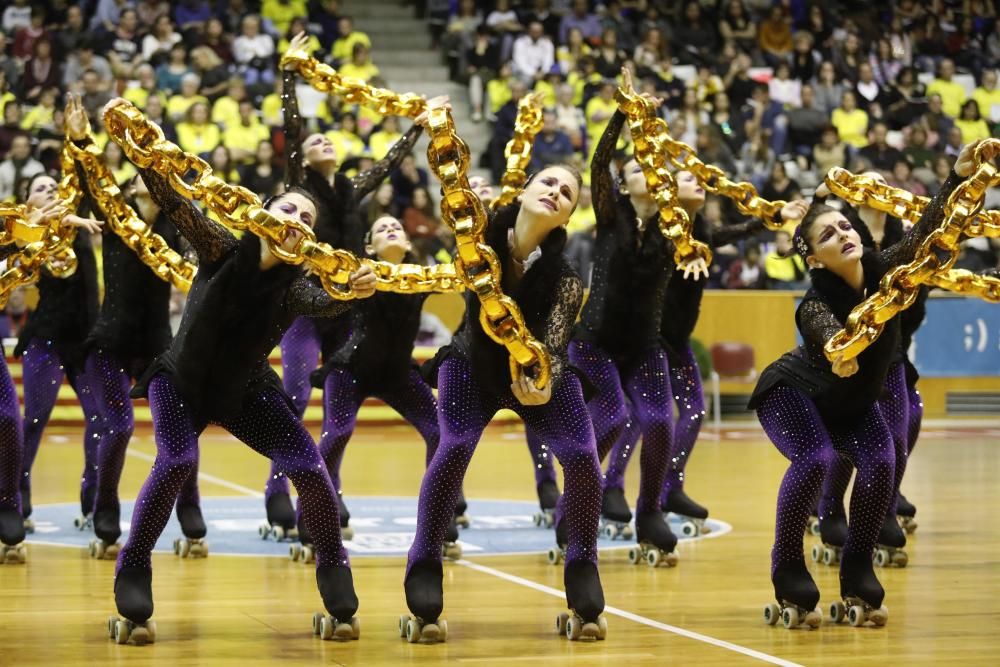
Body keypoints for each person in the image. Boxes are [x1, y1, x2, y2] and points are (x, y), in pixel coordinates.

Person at [102, 96, 377, 643]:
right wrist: (135, 141)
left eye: (307, 218)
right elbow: (173, 200)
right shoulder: (220, 247)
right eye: (289, 210)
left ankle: (332, 567)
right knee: (177, 458)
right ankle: (134, 564)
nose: (296, 220)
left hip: (244, 391)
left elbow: (327, 303)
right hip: (180, 382)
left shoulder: (297, 286)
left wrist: (353, 292)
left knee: (310, 468)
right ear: (263, 214)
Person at [749, 139, 993, 628]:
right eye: (826, 235)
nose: (842, 233)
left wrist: (956, 176)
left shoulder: (889, 273)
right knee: (816, 458)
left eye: (844, 225)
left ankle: (857, 568)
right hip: (795, 395)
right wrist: (840, 351)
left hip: (852, 403)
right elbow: (823, 331)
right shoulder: (814, 302)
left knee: (884, 461)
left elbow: (928, 232)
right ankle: (788, 565)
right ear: (813, 259)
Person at [409, 147, 606, 640]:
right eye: (549, 183)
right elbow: (451, 221)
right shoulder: (482, 231)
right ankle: (425, 561)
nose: (555, 193)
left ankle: (582, 563)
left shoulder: (565, 276)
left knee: (583, 457)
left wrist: (544, 385)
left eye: (566, 193)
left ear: (568, 215)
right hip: (473, 363)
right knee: (453, 446)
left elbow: (556, 343)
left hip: (535, 373)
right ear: (526, 190)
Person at [263, 33, 425, 541]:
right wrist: (290, 74)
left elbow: (389, 163)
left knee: (338, 417)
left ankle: (327, 494)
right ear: (305, 161)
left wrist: (418, 128)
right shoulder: (301, 187)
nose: (323, 142)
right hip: (306, 309)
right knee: (292, 395)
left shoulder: (353, 191)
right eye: (317, 143)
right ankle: (276, 490)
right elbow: (293, 128)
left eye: (329, 140)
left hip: (349, 311)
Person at [62, 95, 200, 558]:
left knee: (180, 428)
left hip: (159, 341)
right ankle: (105, 506)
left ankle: (190, 511)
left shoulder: (178, 224)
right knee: (118, 427)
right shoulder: (115, 213)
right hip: (110, 339)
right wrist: (80, 137)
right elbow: (91, 176)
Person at [569, 69, 694, 562]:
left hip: (644, 345)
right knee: (615, 415)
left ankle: (649, 512)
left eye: (652, 167)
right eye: (637, 167)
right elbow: (599, 163)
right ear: (623, 183)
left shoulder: (673, 226)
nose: (647, 170)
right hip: (594, 340)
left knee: (660, 421)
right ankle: (575, 503)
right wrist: (624, 111)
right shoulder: (610, 213)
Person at [308, 217, 441, 541]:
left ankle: (443, 513)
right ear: (369, 248)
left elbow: (460, 276)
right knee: (337, 432)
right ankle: (314, 512)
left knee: (441, 432)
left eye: (397, 227)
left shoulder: (422, 276)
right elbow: (332, 280)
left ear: (409, 244)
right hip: (350, 370)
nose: (391, 230)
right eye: (381, 229)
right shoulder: (360, 273)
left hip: (398, 373)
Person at [13, 166, 105, 532]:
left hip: (83, 342)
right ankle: (16, 500)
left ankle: (93, 501)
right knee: (34, 421)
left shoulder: (80, 227)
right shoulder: (29, 234)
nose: (50, 190)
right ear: (28, 200)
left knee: (98, 420)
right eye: (41, 188)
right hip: (46, 340)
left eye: (54, 186)